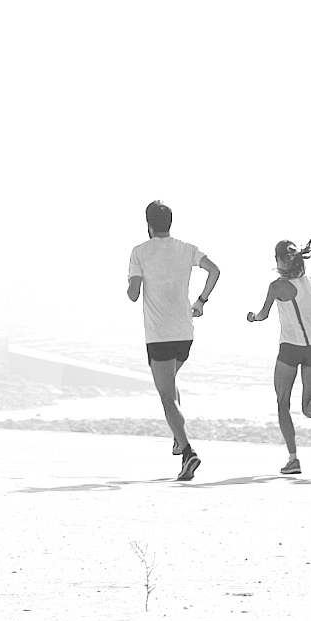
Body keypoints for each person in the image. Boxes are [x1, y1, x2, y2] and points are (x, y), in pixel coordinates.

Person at [127, 200, 219, 481]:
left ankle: (188, 451)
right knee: (170, 384)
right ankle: (178, 441)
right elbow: (215, 270)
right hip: (185, 332)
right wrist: (201, 301)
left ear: (148, 224)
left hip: (159, 335)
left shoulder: (139, 252)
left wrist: (134, 281)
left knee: (167, 396)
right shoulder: (186, 248)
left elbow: (133, 295)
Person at [245, 239, 311, 475]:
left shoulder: (278, 287)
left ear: (279, 260)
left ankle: (293, 459)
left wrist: (252, 317)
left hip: (290, 349)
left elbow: (263, 314)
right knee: (309, 408)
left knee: (283, 403)